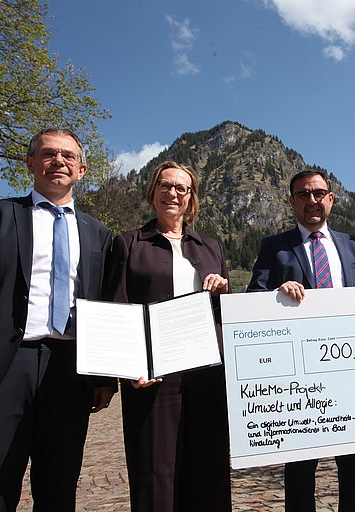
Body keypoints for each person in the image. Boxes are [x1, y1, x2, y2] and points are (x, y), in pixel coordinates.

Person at [0, 128, 115, 511]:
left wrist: (103, 378)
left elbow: (103, 307)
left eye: (68, 156)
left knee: (59, 489)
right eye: (49, 153)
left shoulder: (99, 234)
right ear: (31, 163)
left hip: (70, 371)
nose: (59, 161)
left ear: (82, 169)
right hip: (2, 369)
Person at [247, 169, 355, 512]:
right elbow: (254, 294)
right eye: (302, 195)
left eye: (318, 193)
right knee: (300, 465)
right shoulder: (274, 247)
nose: (311, 201)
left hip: (350, 369)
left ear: (330, 198)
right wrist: (276, 292)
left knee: (353, 464)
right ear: (291, 202)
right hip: (301, 379)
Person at [102, 160, 232, 512]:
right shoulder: (129, 243)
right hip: (153, 372)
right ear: (152, 193)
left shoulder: (210, 247)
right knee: (154, 468)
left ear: (191, 199)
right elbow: (118, 307)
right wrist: (129, 367)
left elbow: (224, 313)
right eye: (165, 185)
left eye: (181, 188)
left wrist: (222, 290)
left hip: (207, 370)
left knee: (209, 463)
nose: (172, 193)